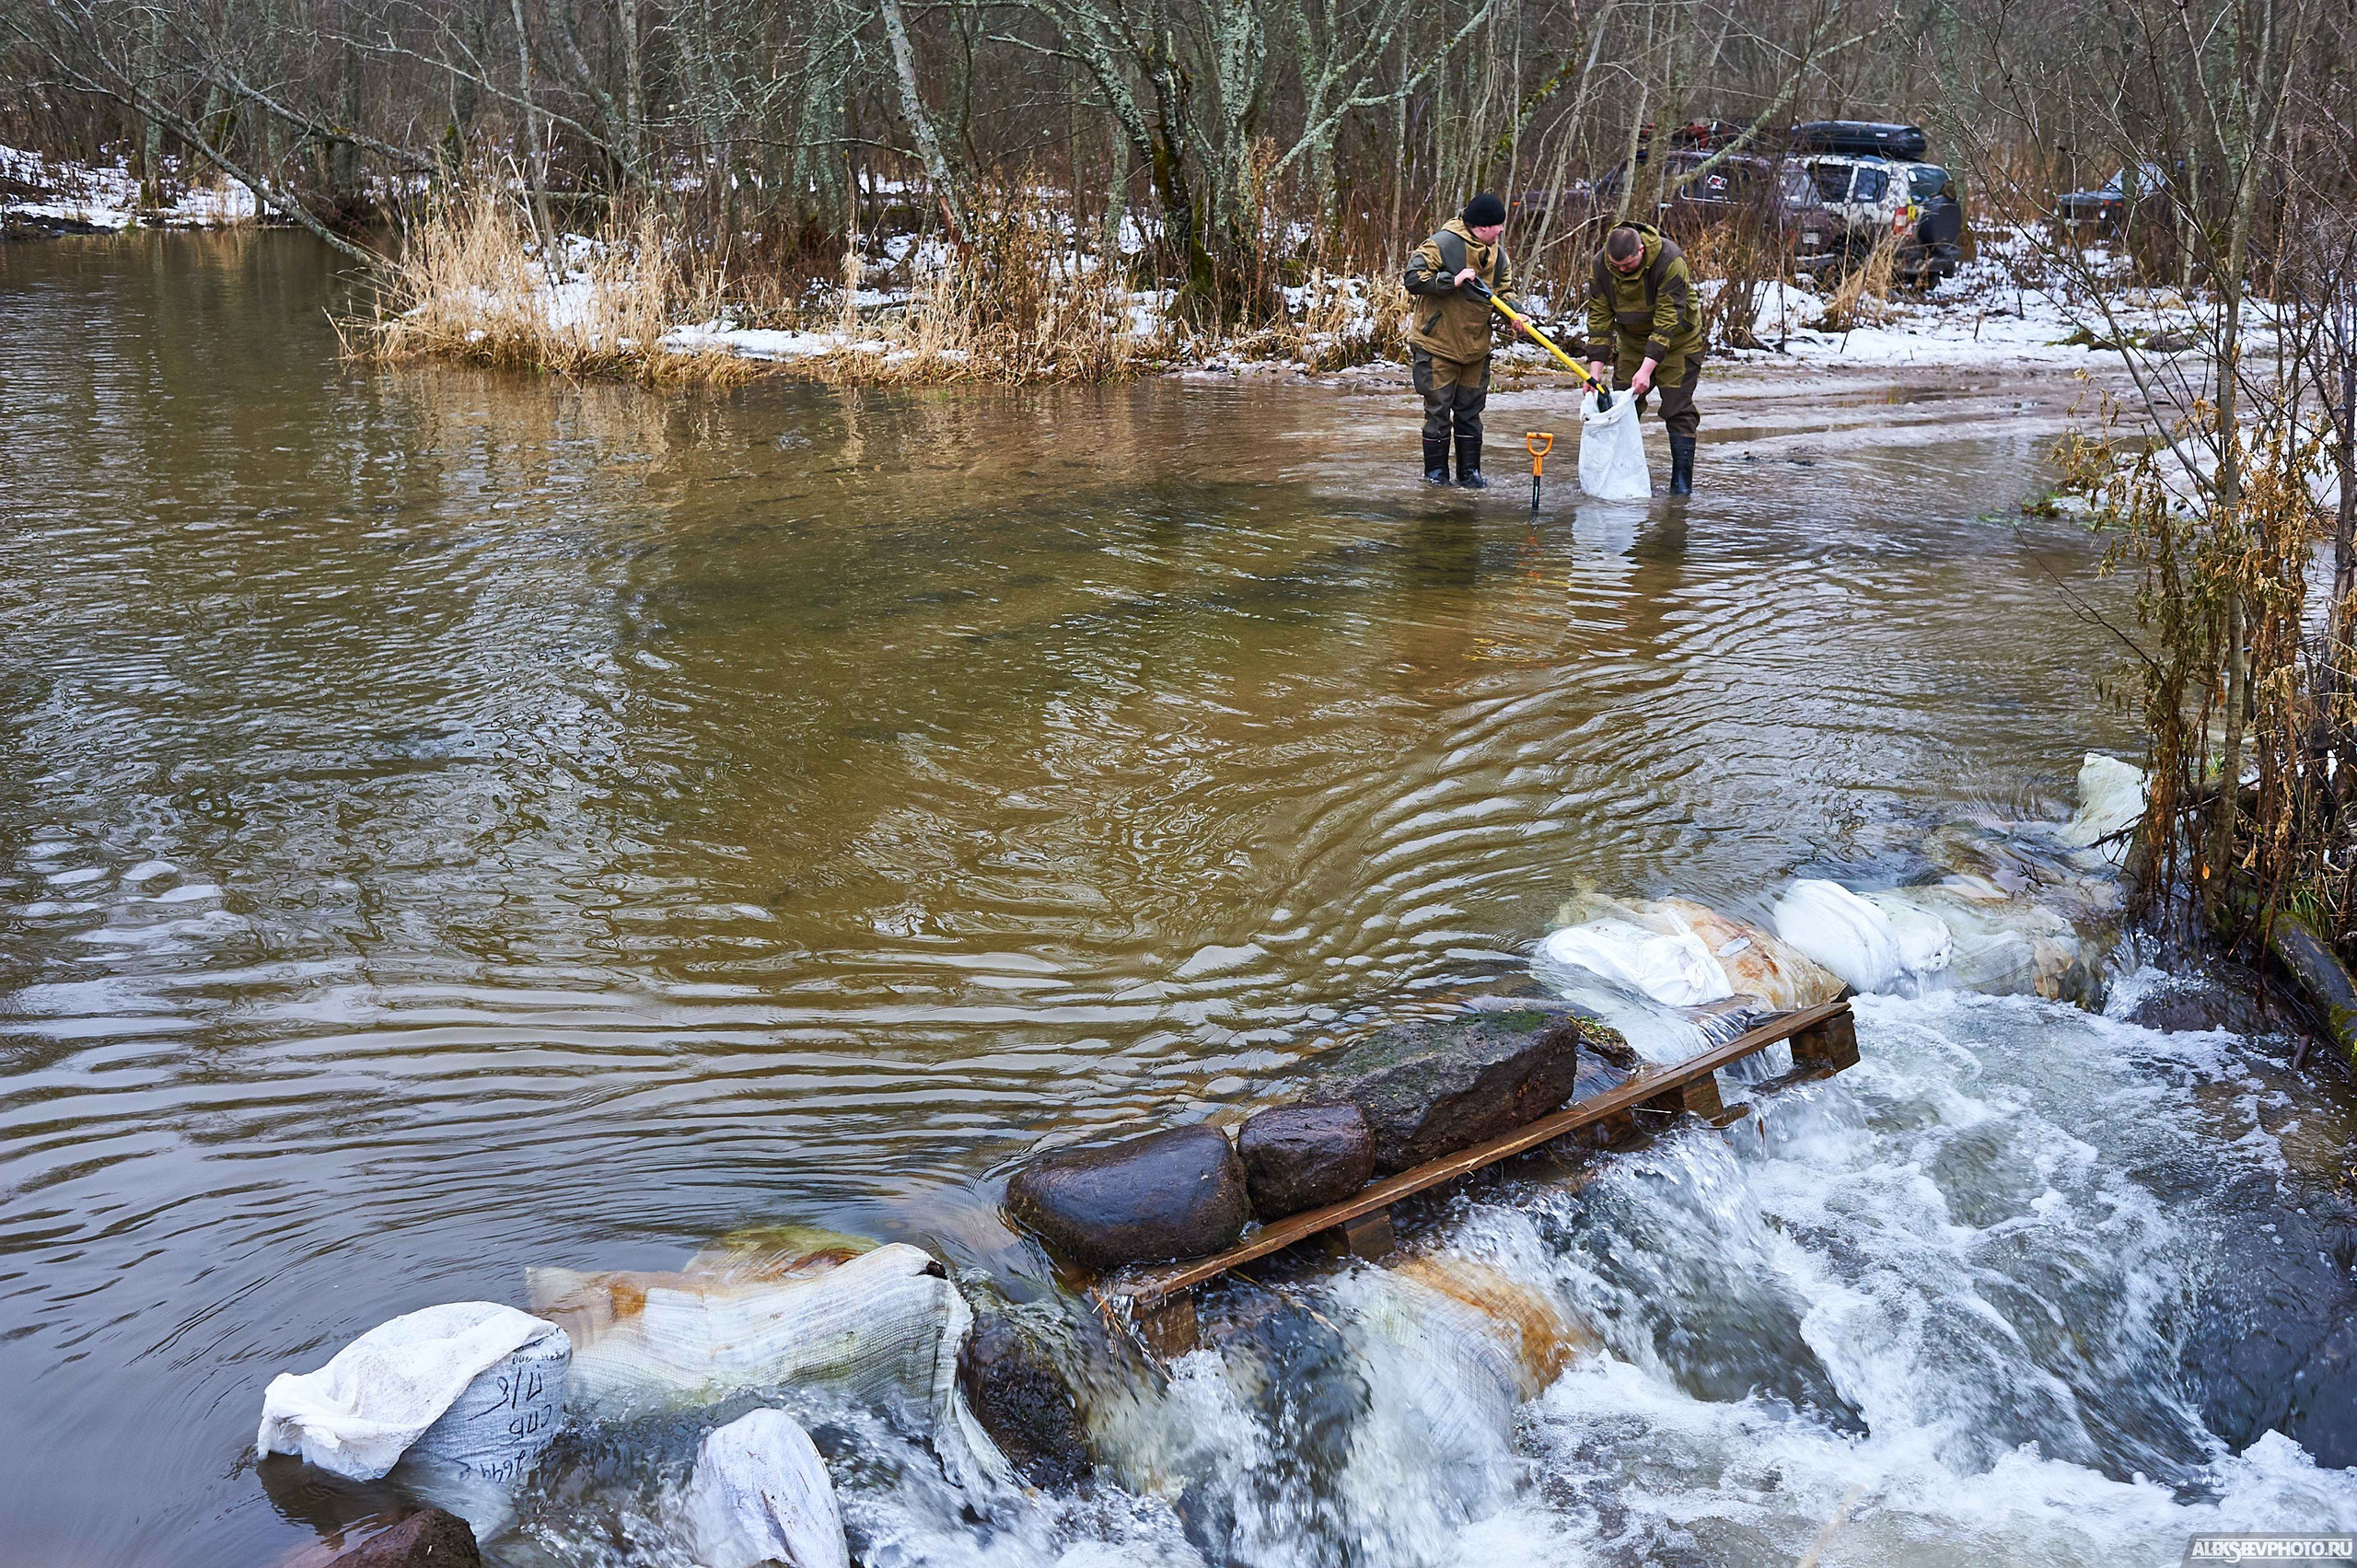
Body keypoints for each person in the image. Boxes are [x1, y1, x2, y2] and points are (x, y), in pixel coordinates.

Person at [1585, 220, 1707, 494]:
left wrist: (1647, 369)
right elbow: (1599, 319)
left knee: (1678, 408)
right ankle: (1620, 477)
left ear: (1641, 250)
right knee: (1621, 405)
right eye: (1616, 265)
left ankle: (1681, 486)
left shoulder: (1669, 259)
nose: (1621, 270)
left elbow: (1667, 319)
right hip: (1631, 341)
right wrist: (1594, 373)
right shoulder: (1601, 265)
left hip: (1678, 340)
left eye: (1627, 265)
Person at [1403, 192, 1513, 488]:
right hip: (1438, 346)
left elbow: (1504, 291)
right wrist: (1451, 281)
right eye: (1498, 225)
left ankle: (1470, 472)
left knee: (1470, 412)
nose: (1502, 230)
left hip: (1475, 348)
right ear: (1483, 227)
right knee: (1438, 411)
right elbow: (1412, 278)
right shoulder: (1442, 243)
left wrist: (1515, 314)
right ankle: (1436, 474)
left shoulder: (1498, 254)